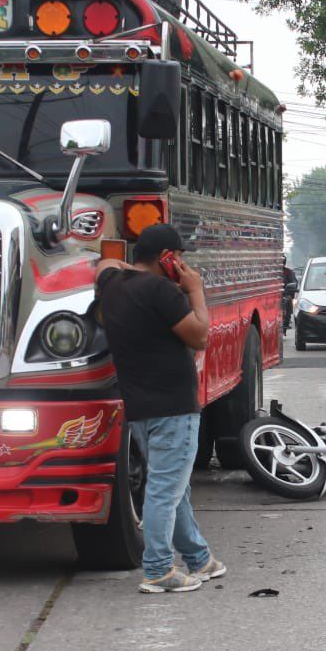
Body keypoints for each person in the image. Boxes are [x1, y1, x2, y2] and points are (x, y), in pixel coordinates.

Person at [95, 223, 226, 592]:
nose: (183, 266)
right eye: (179, 258)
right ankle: (158, 570)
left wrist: (126, 268)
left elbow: (104, 263)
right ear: (167, 258)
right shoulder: (160, 292)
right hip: (174, 409)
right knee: (165, 491)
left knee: (174, 487)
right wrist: (195, 291)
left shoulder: (112, 286)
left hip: (141, 409)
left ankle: (199, 559)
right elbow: (200, 336)